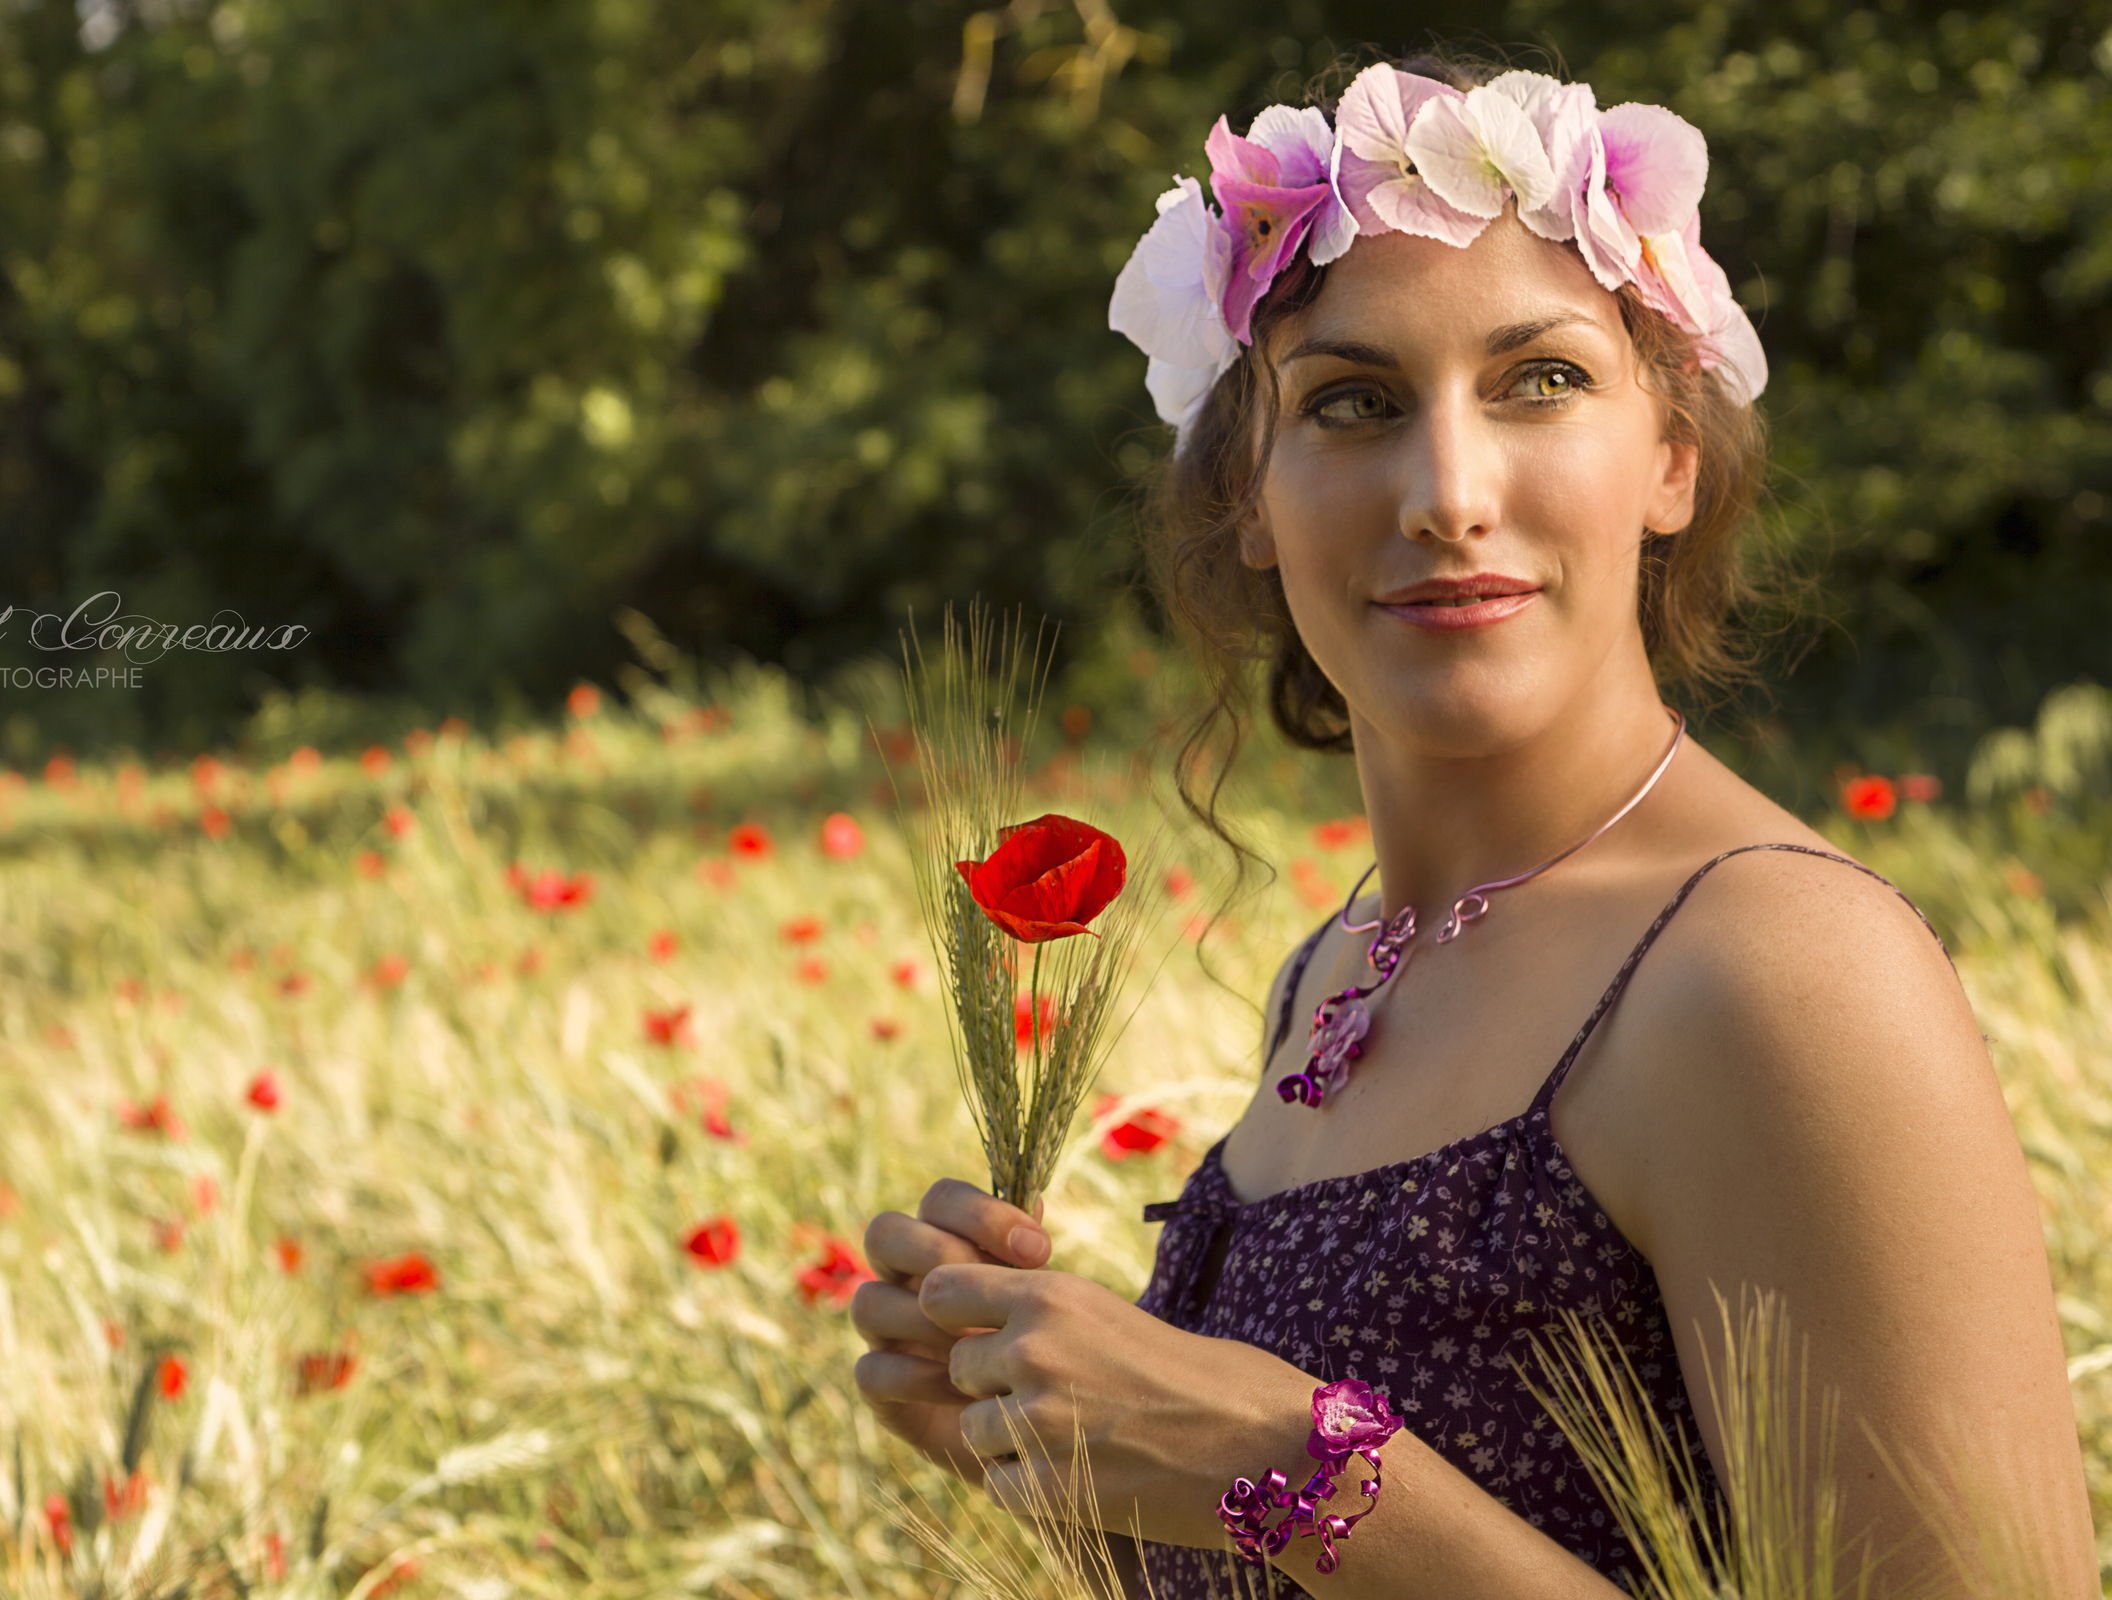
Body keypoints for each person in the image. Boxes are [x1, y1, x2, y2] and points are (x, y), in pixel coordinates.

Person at [850, 45, 2096, 1600]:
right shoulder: (1343, 963)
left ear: (1673, 455)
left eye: (1544, 380)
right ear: (1248, 490)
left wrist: (1295, 1472)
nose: (1446, 488)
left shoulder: (1774, 974)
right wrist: (1051, 1433)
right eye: (1354, 403)